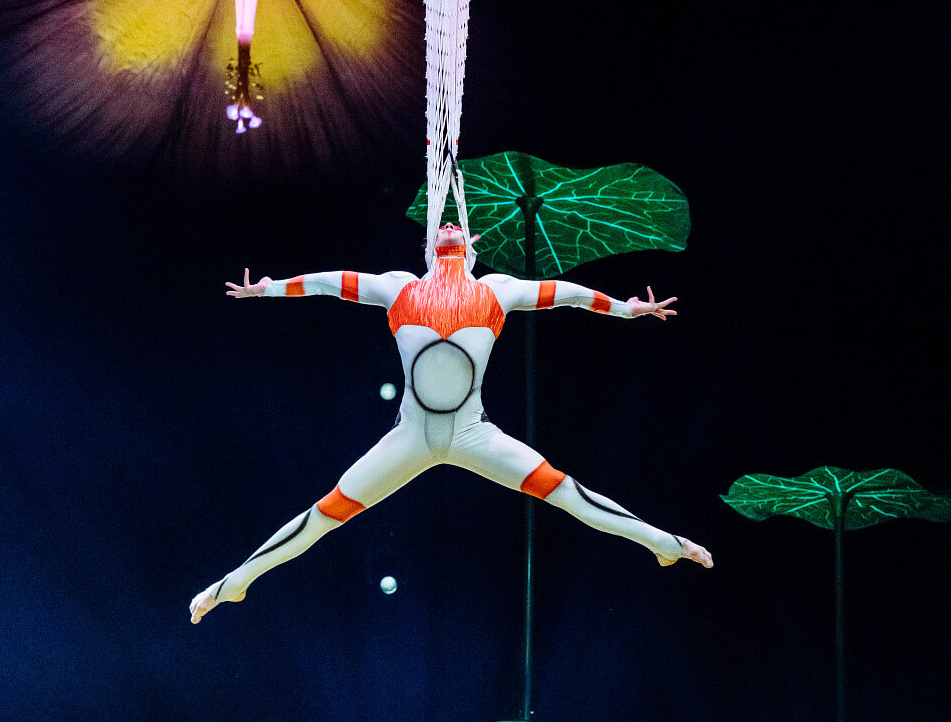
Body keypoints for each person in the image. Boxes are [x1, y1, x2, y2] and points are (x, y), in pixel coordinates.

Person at [190, 223, 712, 623]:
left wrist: (624, 309)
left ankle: (664, 545)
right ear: (427, 249)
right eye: (441, 230)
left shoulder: (498, 290)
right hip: (411, 437)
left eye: (458, 230)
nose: (449, 230)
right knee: (324, 514)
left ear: (473, 249)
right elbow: (330, 284)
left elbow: (566, 293)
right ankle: (235, 582)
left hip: (472, 434)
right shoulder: (398, 288)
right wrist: (270, 289)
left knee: (567, 491)